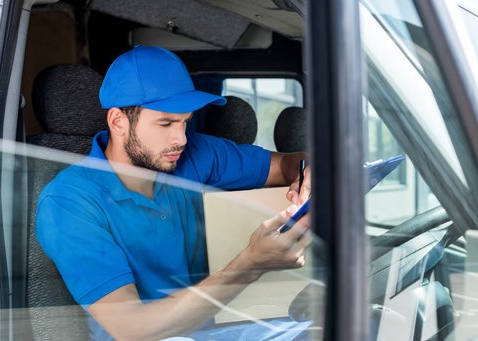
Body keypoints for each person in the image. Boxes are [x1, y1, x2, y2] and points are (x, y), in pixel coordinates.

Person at [37, 45, 311, 341]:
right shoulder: (69, 200)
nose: (180, 138)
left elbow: (286, 164)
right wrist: (250, 265)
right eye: (166, 123)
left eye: (185, 122)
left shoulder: (194, 152)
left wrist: (309, 172)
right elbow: (133, 329)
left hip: (221, 327)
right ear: (118, 122)